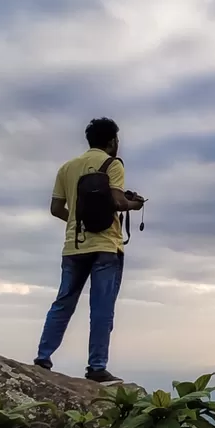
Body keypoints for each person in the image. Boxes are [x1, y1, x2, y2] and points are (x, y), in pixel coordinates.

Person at [33, 117, 144, 382]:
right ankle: (96, 367)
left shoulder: (67, 168)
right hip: (106, 245)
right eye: (117, 140)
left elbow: (56, 209)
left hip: (74, 246)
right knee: (102, 307)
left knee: (63, 302)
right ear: (112, 141)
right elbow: (117, 200)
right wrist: (134, 205)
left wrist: (77, 221)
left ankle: (43, 358)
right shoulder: (112, 164)